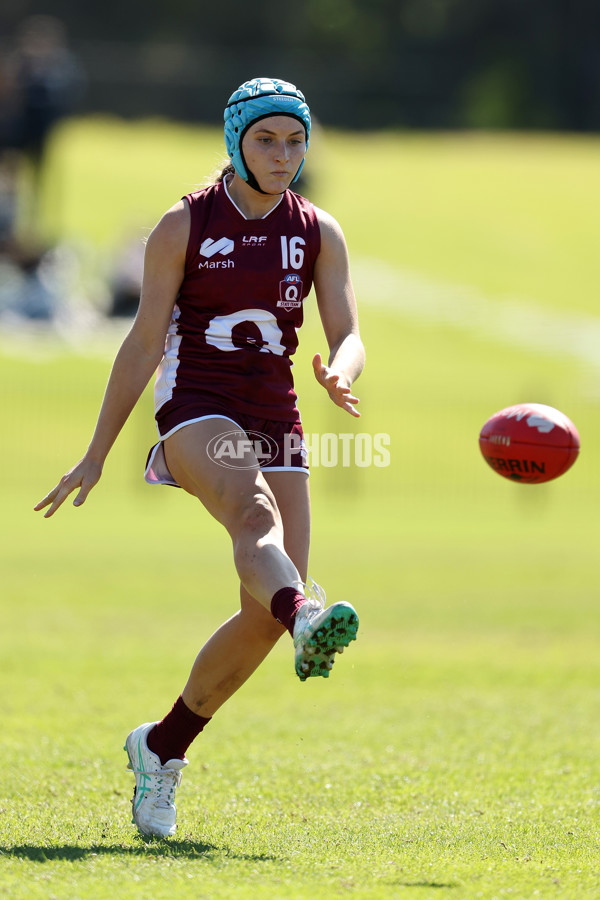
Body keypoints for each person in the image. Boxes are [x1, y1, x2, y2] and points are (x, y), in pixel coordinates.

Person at [34, 77, 365, 838]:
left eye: (295, 141)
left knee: (262, 609)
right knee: (258, 523)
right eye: (266, 140)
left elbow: (348, 328)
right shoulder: (184, 223)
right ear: (234, 143)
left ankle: (161, 746)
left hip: (275, 411)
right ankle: (307, 614)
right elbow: (144, 341)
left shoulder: (319, 230)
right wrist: (96, 452)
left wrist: (342, 368)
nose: (283, 156)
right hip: (195, 405)